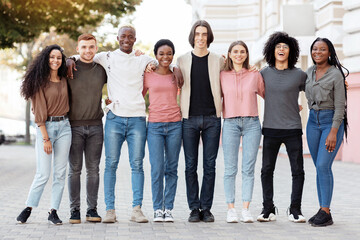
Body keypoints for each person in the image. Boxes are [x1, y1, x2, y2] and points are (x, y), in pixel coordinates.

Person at [17, 45, 71, 225]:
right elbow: (39, 111)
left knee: (60, 174)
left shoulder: (64, 79)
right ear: (45, 59)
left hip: (65, 127)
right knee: (43, 173)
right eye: (51, 57)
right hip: (45, 128)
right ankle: (29, 207)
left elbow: (75, 60)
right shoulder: (39, 82)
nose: (55, 61)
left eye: (59, 58)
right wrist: (45, 138)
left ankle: (53, 211)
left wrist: (73, 60)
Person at [257, 32, 307, 223]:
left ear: (291, 51)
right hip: (270, 127)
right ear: (272, 50)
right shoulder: (263, 73)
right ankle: (268, 208)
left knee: (298, 171)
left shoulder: (299, 75)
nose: (281, 49)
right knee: (266, 170)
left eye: (285, 46)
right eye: (278, 46)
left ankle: (295, 209)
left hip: (293, 128)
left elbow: (314, 87)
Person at [177, 20, 223, 222]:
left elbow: (238, 68)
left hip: (213, 118)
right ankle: (194, 208)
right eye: (198, 34)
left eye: (204, 34)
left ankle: (206, 208)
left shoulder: (219, 60)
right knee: (190, 165)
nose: (201, 38)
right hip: (189, 119)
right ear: (192, 36)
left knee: (210, 166)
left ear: (209, 37)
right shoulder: (181, 60)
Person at [221, 41, 265, 223]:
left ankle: (246, 209)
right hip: (230, 123)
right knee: (230, 169)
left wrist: (293, 105)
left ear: (246, 55)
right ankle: (231, 209)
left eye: (242, 52)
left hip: (252, 123)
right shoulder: (222, 75)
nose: (239, 54)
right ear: (229, 54)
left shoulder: (255, 74)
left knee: (248, 169)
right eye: (235, 51)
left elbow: (269, 94)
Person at [305, 38, 347, 227]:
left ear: (329, 52)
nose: (318, 52)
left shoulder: (336, 74)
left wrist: (333, 131)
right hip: (312, 122)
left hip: (330, 122)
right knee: (319, 167)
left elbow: (340, 107)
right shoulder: (308, 73)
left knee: (323, 165)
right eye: (315, 49)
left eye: (322, 49)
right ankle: (322, 209)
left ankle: (326, 211)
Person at [67, 34, 107, 224]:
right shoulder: (69, 68)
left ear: (96, 48)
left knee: (94, 170)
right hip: (73, 127)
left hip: (96, 127)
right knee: (74, 170)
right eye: (84, 47)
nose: (88, 51)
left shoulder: (102, 70)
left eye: (91, 47)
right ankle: (74, 210)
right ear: (77, 49)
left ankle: (92, 210)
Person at [142, 39, 182, 222]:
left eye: (169, 53)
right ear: (156, 55)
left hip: (175, 124)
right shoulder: (147, 75)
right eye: (161, 54)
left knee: (171, 168)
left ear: (172, 55)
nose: (165, 57)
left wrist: (176, 68)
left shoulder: (177, 75)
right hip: (155, 126)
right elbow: (138, 95)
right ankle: (158, 208)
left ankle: (169, 208)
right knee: (157, 169)